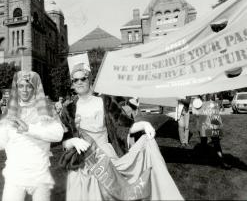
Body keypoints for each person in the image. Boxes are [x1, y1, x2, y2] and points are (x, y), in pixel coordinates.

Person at [59, 63, 183, 201]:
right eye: (75, 80)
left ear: (90, 79)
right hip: (83, 161)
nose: (80, 82)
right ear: (72, 84)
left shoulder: (105, 102)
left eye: (83, 78)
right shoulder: (68, 110)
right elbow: (63, 141)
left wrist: (144, 124)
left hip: (106, 155)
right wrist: (73, 141)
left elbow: (123, 126)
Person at [0, 71, 64, 201]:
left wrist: (30, 129)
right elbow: (1, 142)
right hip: (14, 175)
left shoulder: (46, 109)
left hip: (40, 174)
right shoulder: (10, 111)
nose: (24, 90)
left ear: (35, 87)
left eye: (29, 86)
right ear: (16, 88)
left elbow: (58, 135)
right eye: (21, 86)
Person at [194, 94, 231, 169]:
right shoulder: (200, 103)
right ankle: (210, 161)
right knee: (206, 143)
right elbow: (198, 115)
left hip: (210, 125)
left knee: (215, 143)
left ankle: (221, 162)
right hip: (205, 125)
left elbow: (215, 115)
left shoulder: (211, 104)